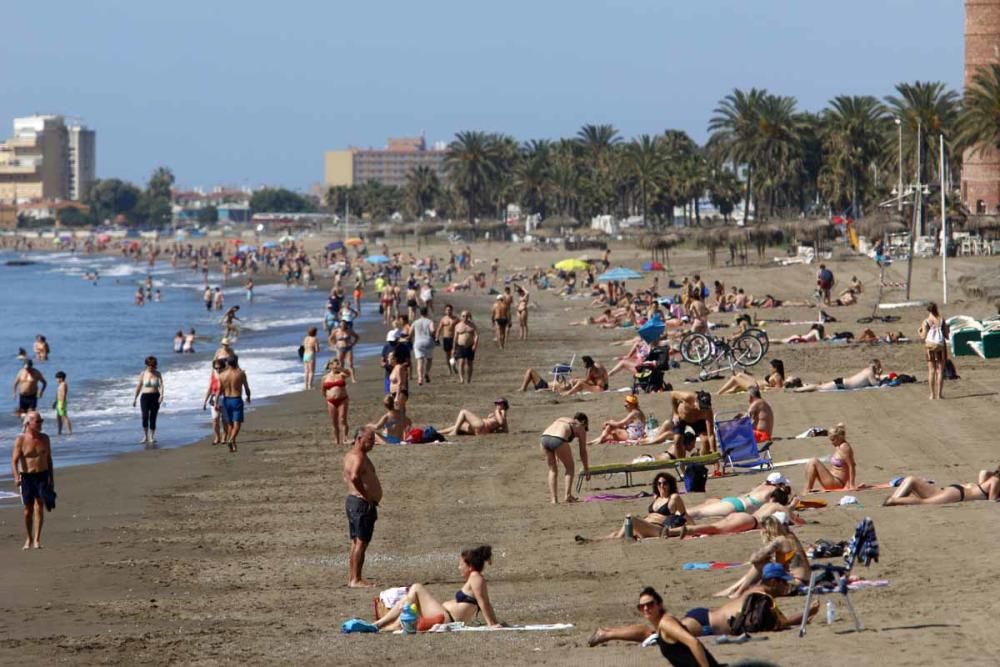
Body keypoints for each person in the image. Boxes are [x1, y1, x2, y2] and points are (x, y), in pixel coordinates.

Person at [372, 545, 501, 630]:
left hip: (446, 619)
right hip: (445, 615)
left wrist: (492, 624)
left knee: (416, 588)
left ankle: (380, 624)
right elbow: (485, 603)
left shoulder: (475, 577)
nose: (459, 568)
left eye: (461, 564)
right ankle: (383, 626)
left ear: (470, 566)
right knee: (408, 600)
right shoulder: (475, 578)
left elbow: (484, 603)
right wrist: (494, 623)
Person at [715, 514, 811, 598]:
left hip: (794, 584)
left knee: (761, 564)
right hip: (804, 581)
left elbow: (754, 559)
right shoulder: (790, 536)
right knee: (764, 564)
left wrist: (761, 551)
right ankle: (734, 590)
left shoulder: (779, 540)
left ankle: (738, 592)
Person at [576, 473, 689, 542]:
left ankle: (620, 539)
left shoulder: (673, 498)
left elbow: (684, 515)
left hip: (657, 529)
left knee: (631, 519)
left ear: (670, 485)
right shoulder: (656, 498)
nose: (661, 486)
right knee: (616, 532)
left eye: (665, 483)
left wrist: (694, 527)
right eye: (659, 483)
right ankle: (593, 541)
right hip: (646, 526)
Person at [343, 426, 381, 588]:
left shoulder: (350, 455)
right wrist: (367, 496)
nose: (373, 443)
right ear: (359, 439)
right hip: (361, 504)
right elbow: (354, 476)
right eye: (370, 440)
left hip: (354, 501)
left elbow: (347, 477)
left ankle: (353, 577)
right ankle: (356, 579)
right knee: (361, 542)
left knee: (356, 542)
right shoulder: (358, 457)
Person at [10, 411, 55, 550]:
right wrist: (16, 476)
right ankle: (28, 537)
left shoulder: (45, 439)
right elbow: (14, 460)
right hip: (27, 478)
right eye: (38, 421)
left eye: (41, 421)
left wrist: (51, 479)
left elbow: (49, 460)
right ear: (29, 423)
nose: (40, 424)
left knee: (39, 506)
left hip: (42, 475)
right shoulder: (21, 440)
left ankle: (37, 539)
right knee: (27, 509)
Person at [638, 390, 716, 458]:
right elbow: (673, 394)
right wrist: (675, 413)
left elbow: (711, 435)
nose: (702, 409)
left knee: (706, 440)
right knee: (678, 439)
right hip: (682, 418)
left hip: (698, 421)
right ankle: (682, 465)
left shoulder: (707, 411)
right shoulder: (688, 396)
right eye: (701, 407)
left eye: (705, 407)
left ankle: (701, 460)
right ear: (697, 401)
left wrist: (714, 453)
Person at [685, 473, 793, 520]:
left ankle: (673, 514)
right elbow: (773, 506)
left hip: (734, 501)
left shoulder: (762, 485)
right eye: (783, 484)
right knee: (698, 513)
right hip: (737, 507)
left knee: (695, 511)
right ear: (779, 484)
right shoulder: (773, 490)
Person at [539, 414, 589, 503]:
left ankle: (554, 499)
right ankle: (568, 495)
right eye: (586, 427)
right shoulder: (580, 427)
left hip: (544, 438)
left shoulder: (562, 419)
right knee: (570, 468)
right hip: (558, 439)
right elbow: (583, 452)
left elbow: (554, 433)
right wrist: (586, 469)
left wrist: (557, 454)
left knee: (552, 469)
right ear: (584, 422)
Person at [883, 468, 1000, 506]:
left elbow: (983, 472)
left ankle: (892, 501)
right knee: (925, 502)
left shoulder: (990, 479)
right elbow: (992, 500)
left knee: (911, 480)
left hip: (953, 489)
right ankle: (894, 500)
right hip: (958, 494)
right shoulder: (995, 481)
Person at [802, 423, 857, 493]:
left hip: (837, 483)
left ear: (839, 438)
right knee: (809, 463)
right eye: (831, 440)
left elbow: (852, 466)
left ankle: (807, 490)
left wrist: (851, 485)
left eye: (833, 440)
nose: (832, 443)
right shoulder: (839, 446)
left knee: (814, 461)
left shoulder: (845, 448)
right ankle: (807, 488)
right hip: (832, 478)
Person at [219, 355, 251, 452]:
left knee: (230, 425)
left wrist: (215, 400)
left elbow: (219, 390)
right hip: (236, 399)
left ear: (227, 363)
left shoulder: (222, 374)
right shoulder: (240, 373)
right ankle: (231, 439)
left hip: (226, 400)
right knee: (237, 424)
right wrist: (248, 397)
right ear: (236, 362)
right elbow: (246, 387)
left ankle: (233, 443)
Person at [793, 359, 882, 392]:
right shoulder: (869, 372)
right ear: (875, 366)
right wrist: (879, 374)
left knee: (820, 386)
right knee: (818, 388)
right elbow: (876, 384)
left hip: (842, 383)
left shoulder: (867, 371)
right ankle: (798, 389)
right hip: (842, 384)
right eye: (879, 366)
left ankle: (802, 387)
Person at [919, 302, 948, 400]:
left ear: (928, 310)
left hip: (930, 347)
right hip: (941, 346)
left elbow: (923, 336)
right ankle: (939, 394)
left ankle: (932, 395)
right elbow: (947, 335)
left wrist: (919, 332)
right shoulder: (942, 320)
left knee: (931, 371)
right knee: (940, 370)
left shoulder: (926, 321)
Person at [132, 356, 163, 445]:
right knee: (145, 416)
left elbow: (161, 385)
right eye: (149, 366)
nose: (151, 367)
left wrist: (161, 395)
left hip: (155, 396)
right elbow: (139, 386)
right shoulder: (143, 374)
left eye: (153, 366)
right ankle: (145, 436)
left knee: (153, 417)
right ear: (146, 365)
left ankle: (152, 437)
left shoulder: (158, 374)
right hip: (145, 397)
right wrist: (135, 398)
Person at [439, 398, 509, 436]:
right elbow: (505, 430)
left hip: (482, 425)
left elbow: (501, 422)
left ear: (504, 405)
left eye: (499, 403)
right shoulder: (501, 414)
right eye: (496, 403)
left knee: (463, 412)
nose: (497, 405)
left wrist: (497, 412)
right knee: (460, 425)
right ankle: (438, 432)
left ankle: (454, 432)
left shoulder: (502, 412)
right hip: (482, 430)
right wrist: (493, 431)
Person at [321, 358, 351, 446]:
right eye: (335, 363)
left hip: (343, 399)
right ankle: (337, 440)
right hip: (331, 401)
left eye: (338, 363)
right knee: (334, 421)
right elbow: (323, 390)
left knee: (342, 419)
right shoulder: (325, 378)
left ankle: (345, 438)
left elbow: (348, 373)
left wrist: (340, 368)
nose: (337, 365)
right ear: (330, 365)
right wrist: (328, 397)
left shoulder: (342, 374)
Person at [716, 359, 785, 395]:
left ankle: (719, 392)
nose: (770, 368)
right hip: (755, 383)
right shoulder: (774, 374)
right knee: (740, 374)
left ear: (775, 368)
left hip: (756, 387)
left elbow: (779, 388)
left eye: (771, 367)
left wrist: (768, 388)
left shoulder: (777, 376)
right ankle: (729, 391)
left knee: (734, 379)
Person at [202, 358, 226, 445]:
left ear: (223, 367)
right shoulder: (213, 375)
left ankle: (224, 436)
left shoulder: (226, 375)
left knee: (224, 419)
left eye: (219, 368)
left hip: (224, 399)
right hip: (213, 398)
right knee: (215, 419)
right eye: (216, 368)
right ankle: (217, 437)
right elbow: (209, 388)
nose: (218, 369)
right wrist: (205, 401)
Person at [452, 310, 479, 384]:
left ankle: (469, 379)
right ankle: (461, 378)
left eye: (467, 316)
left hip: (470, 346)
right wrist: (453, 348)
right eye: (463, 316)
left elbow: (476, 336)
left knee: (469, 363)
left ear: (469, 317)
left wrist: (475, 345)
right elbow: (455, 337)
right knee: (461, 362)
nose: (465, 318)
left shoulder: (472, 325)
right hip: (460, 346)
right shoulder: (457, 326)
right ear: (461, 317)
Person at [411, 307, 436, 385]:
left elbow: (410, 332)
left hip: (418, 342)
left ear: (420, 313)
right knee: (429, 359)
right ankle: (426, 372)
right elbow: (433, 330)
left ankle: (420, 378)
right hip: (428, 341)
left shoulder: (415, 322)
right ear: (427, 313)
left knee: (420, 361)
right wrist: (433, 336)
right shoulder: (430, 321)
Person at [435, 304, 458, 375]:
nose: (448, 311)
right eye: (447, 310)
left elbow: (462, 325)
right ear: (445, 311)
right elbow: (439, 329)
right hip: (446, 338)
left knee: (453, 354)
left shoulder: (456, 319)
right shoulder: (443, 319)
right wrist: (437, 338)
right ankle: (449, 369)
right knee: (447, 355)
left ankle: (453, 365)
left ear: (452, 310)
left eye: (450, 310)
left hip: (454, 338)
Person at [53, 371, 72, 436]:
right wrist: (55, 402)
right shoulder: (60, 385)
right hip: (59, 402)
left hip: (62, 402)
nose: (56, 380)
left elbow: (63, 394)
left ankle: (70, 431)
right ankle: (59, 431)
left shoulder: (64, 384)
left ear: (61, 378)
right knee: (58, 417)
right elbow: (58, 394)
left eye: (57, 378)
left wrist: (62, 404)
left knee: (64, 417)